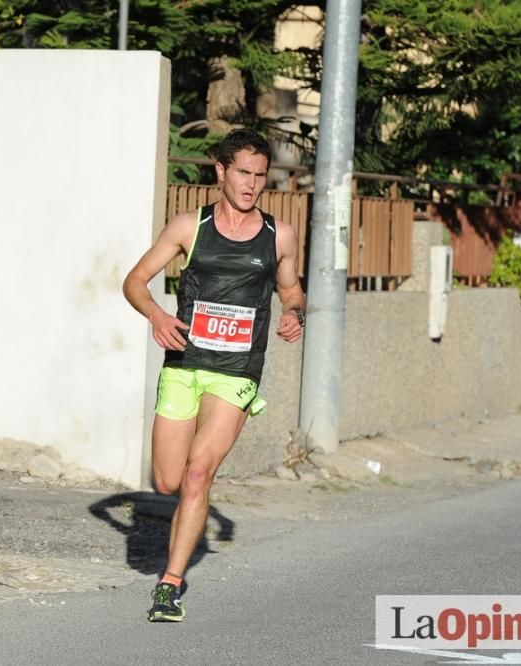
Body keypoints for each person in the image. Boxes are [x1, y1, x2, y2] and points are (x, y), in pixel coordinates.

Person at [122, 128, 306, 622]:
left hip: (236, 371)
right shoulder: (189, 227)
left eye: (260, 176)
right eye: (243, 172)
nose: (251, 184)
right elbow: (134, 282)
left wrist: (295, 314)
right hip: (184, 364)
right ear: (221, 171)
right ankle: (182, 525)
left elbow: (293, 291)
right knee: (167, 482)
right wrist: (159, 317)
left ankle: (170, 584)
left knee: (199, 474)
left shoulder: (279, 235)